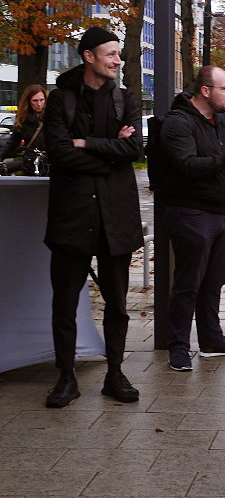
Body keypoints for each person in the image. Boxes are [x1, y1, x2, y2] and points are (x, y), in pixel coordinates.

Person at [43, 26, 143, 408]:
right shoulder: (60, 100)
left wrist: (87, 143)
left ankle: (115, 373)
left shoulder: (125, 99)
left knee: (117, 303)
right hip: (71, 217)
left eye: (119, 54)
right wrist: (109, 153)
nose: (118, 60)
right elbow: (59, 154)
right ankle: (66, 377)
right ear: (89, 57)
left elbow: (134, 148)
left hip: (116, 217)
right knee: (65, 301)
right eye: (110, 54)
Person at [157, 66, 225, 371]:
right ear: (205, 91)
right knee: (188, 283)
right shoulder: (178, 123)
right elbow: (187, 165)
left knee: (214, 281)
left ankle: (211, 339)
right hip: (191, 213)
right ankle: (178, 346)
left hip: (224, 214)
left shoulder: (222, 121)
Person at [0, 84, 48, 176]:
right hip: (31, 165)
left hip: (49, 165)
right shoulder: (23, 120)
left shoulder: (52, 117)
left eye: (42, 100)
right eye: (35, 100)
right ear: (29, 102)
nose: (39, 104)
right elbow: (12, 142)